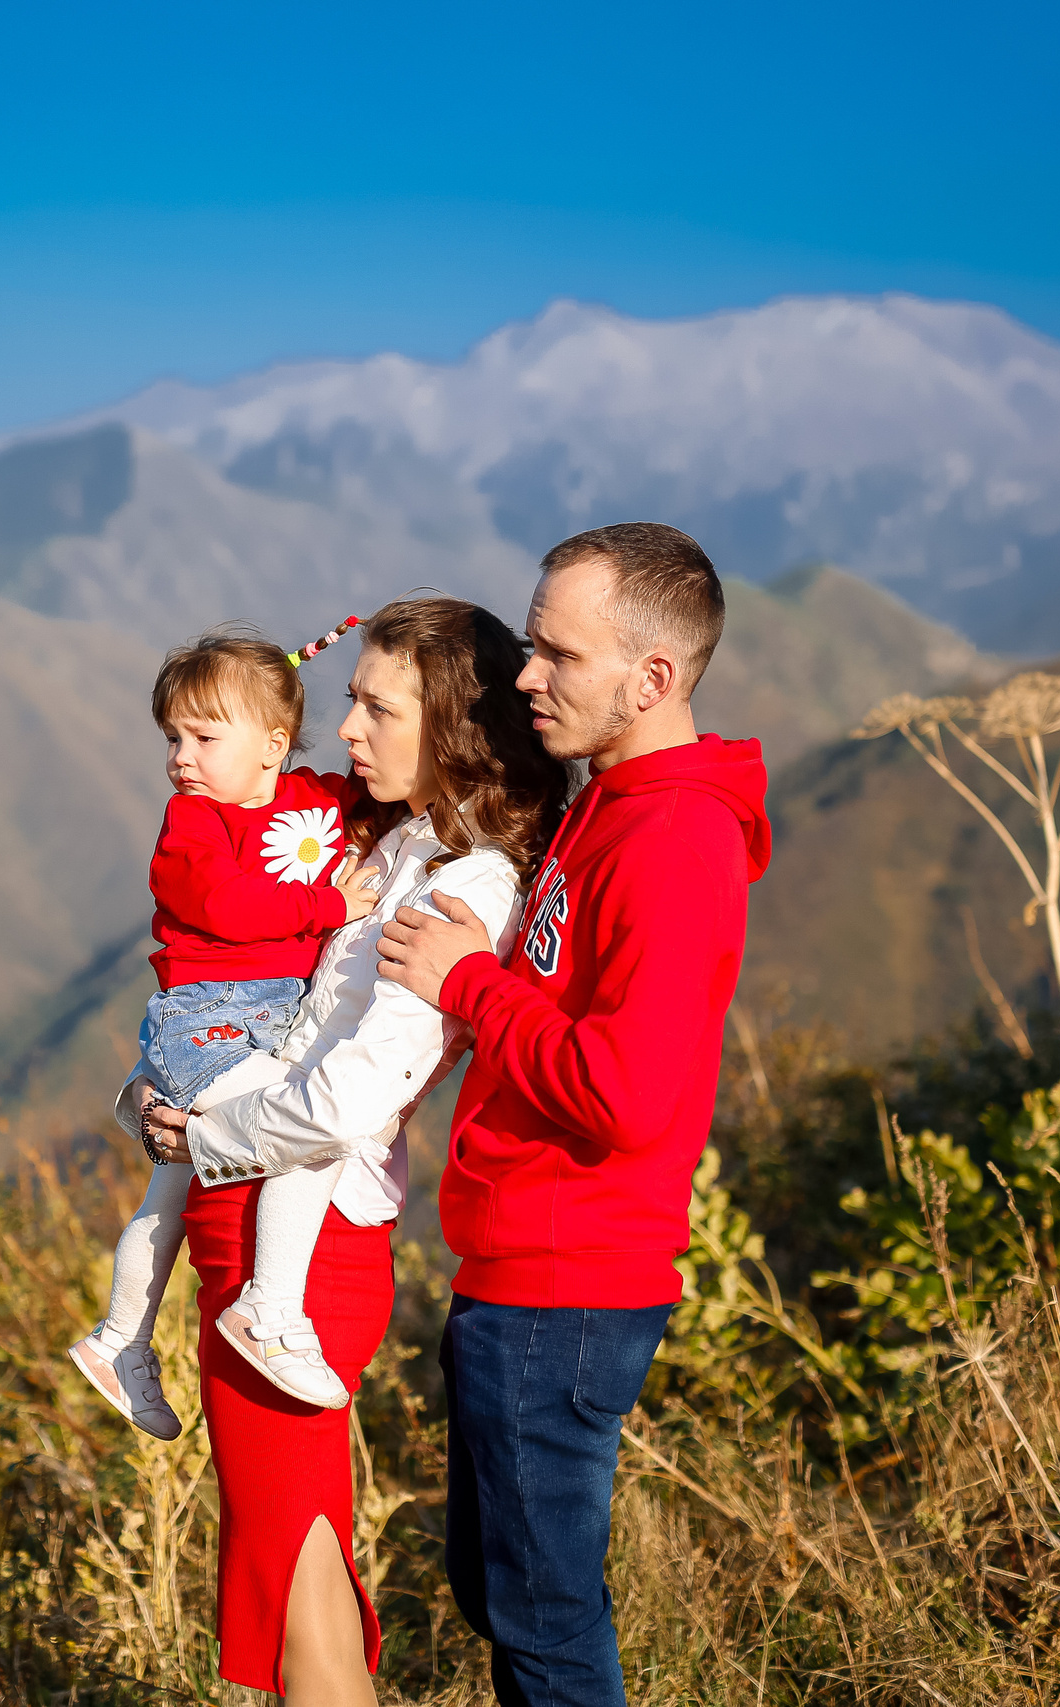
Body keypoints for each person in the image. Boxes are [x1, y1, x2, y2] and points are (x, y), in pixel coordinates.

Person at [376, 523, 771, 1707]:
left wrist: (469, 984)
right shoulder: (610, 804)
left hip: (569, 1281)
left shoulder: (673, 839)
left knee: (543, 1627)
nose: (526, 677)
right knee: (502, 1595)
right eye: (531, 645)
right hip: (520, 1270)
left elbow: (625, 1095)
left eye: (559, 655)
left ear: (652, 678)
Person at [146, 597, 568, 1703]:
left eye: (379, 709)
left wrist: (206, 1135)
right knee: (295, 1564)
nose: (344, 730)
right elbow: (272, 1016)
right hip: (261, 1214)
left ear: (455, 727)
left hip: (302, 1238)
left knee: (298, 1594)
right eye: (351, 700)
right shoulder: (403, 845)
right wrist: (166, 1092)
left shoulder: (465, 885)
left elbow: (349, 1097)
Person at [68, 631, 380, 1438]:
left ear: (274, 744)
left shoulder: (316, 798)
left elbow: (377, 791)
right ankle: (269, 1310)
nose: (182, 757)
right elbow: (226, 906)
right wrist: (328, 907)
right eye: (173, 737)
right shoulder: (190, 826)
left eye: (205, 737)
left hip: (258, 1020)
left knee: (167, 1198)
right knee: (314, 1133)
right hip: (206, 1022)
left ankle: (117, 1339)